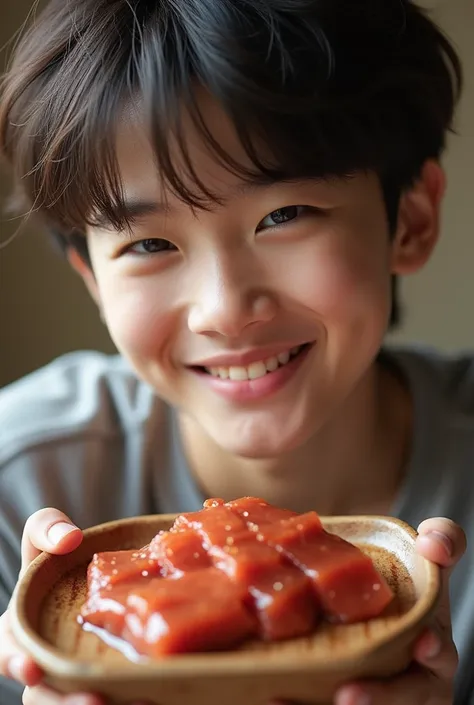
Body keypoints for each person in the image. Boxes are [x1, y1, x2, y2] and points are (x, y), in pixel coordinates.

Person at [0, 0, 472, 703]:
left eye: (282, 216)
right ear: (93, 281)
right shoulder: (18, 488)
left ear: (411, 218)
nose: (223, 310)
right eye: (149, 244)